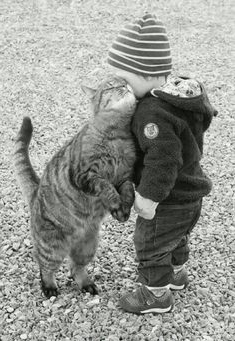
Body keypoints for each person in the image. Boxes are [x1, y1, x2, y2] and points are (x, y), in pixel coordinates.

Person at [107, 13, 217, 314]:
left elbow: (164, 158)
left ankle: (156, 296)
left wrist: (148, 197)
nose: (121, 85)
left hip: (167, 199)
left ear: (144, 74)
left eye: (124, 78)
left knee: (150, 242)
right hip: (190, 193)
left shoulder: (151, 112)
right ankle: (177, 275)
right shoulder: (180, 97)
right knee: (176, 236)